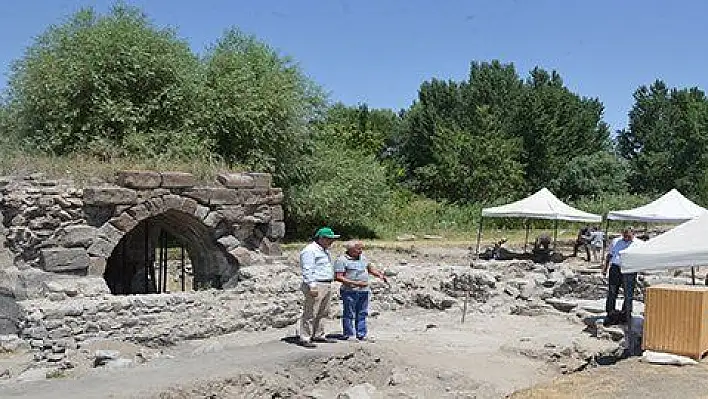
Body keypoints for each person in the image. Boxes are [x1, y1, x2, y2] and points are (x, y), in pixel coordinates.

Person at [334, 240, 388, 342]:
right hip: (349, 291)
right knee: (349, 313)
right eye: (358, 249)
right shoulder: (341, 260)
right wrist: (355, 283)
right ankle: (349, 334)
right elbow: (338, 277)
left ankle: (361, 334)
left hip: (364, 290)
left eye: (361, 248)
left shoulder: (363, 258)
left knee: (362, 313)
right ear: (350, 250)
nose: (361, 251)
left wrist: (379, 275)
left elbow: (370, 269)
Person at [298, 227, 341, 348]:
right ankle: (305, 337)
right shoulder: (310, 250)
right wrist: (312, 285)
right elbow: (307, 269)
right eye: (329, 239)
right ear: (321, 238)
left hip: (326, 283)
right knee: (311, 311)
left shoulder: (323, 250)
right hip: (317, 283)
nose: (331, 242)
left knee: (323, 311)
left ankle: (318, 334)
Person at [602, 227, 636, 326]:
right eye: (624, 236)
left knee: (628, 293)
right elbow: (609, 255)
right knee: (612, 292)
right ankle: (610, 313)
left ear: (633, 234)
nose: (626, 238)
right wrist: (605, 268)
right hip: (615, 268)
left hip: (629, 270)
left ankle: (626, 314)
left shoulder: (638, 244)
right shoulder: (616, 241)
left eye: (628, 236)